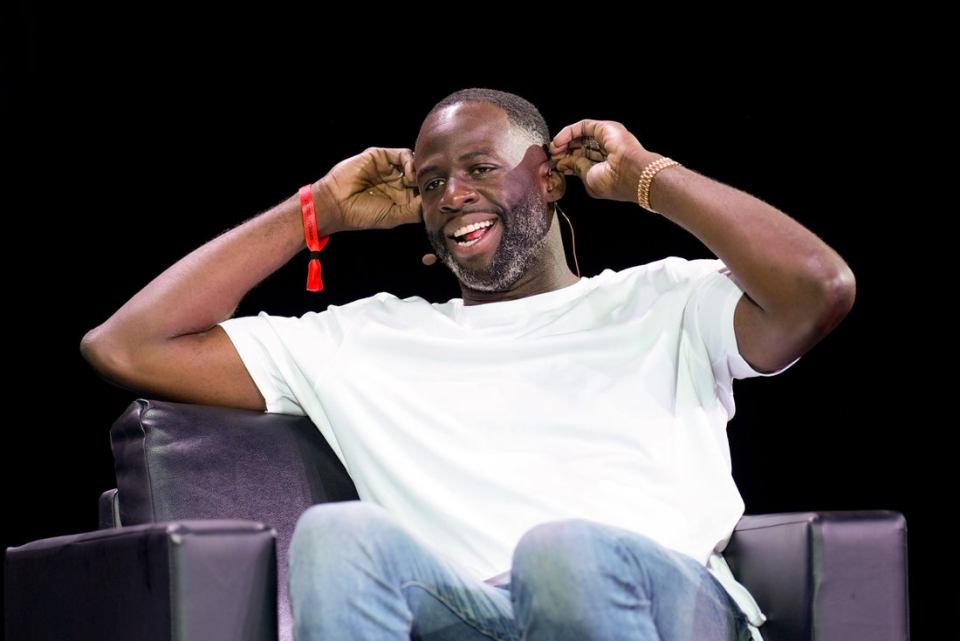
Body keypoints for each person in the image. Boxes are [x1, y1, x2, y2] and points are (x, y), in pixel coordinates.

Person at [80, 88, 856, 641]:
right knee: (340, 535)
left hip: (663, 604)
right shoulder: (364, 338)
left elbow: (819, 289)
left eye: (480, 168)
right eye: (430, 183)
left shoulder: (665, 298)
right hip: (471, 616)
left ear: (548, 178)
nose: (452, 194)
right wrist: (316, 209)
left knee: (562, 552)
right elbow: (126, 345)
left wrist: (650, 178)